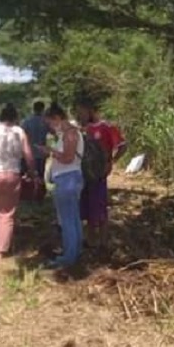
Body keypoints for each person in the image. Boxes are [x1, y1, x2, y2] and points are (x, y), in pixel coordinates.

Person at [0, 103, 36, 259]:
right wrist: (32, 172)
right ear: (15, 117)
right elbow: (28, 155)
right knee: (6, 213)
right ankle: (1, 251)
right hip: (11, 174)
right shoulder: (19, 131)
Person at [76, 98, 127, 250]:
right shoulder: (83, 130)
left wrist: (110, 162)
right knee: (86, 207)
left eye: (81, 112)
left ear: (90, 110)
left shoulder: (107, 128)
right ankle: (90, 240)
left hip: (98, 174)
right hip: (84, 174)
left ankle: (104, 243)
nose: (80, 115)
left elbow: (123, 146)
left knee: (99, 207)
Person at [41, 103, 84, 269]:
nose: (50, 127)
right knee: (73, 218)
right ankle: (75, 251)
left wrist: (50, 151)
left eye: (50, 122)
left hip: (67, 179)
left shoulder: (70, 134)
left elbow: (67, 158)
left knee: (67, 220)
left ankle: (68, 257)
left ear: (57, 118)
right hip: (69, 178)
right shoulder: (68, 133)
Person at [21, 101, 49, 180]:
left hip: (29, 154)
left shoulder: (26, 121)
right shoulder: (46, 121)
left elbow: (20, 135)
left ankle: (29, 191)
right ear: (43, 109)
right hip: (41, 154)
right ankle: (40, 191)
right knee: (40, 177)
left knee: (29, 178)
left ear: (33, 109)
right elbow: (55, 132)